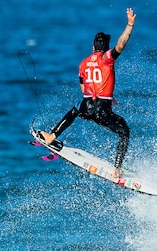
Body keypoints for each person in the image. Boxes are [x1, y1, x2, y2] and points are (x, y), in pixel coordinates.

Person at [39, 8, 136, 177]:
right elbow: (121, 44)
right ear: (105, 49)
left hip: (86, 107)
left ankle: (52, 135)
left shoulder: (83, 63)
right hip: (101, 110)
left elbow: (84, 90)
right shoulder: (107, 59)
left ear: (93, 48)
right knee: (124, 132)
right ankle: (117, 169)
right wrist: (130, 24)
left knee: (76, 108)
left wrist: (103, 93)